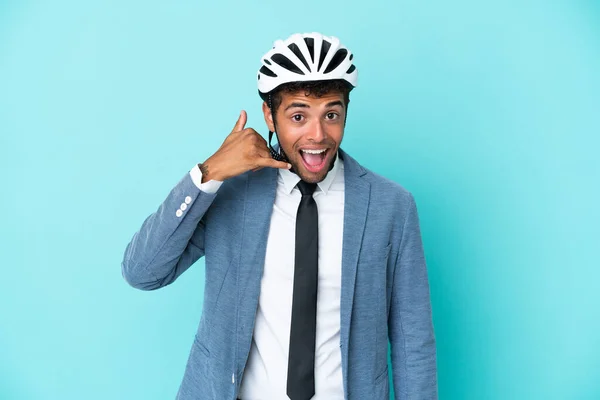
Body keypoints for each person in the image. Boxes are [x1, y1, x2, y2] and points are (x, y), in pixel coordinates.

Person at [122, 32, 437, 400]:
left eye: (331, 114)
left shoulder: (391, 206)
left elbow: (412, 340)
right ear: (269, 116)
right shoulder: (231, 194)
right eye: (298, 115)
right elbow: (143, 272)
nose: (317, 135)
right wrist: (208, 174)